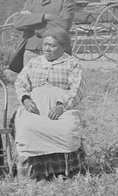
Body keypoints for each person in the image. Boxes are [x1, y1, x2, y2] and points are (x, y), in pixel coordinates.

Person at [14, 28, 86, 181]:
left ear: (64, 47)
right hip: (35, 107)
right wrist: (26, 99)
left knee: (67, 129)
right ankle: (32, 172)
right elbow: (20, 83)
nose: (47, 48)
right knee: (26, 127)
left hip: (61, 107)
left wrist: (62, 106)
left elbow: (77, 88)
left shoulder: (72, 64)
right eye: (45, 44)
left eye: (52, 45)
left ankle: (63, 171)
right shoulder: (34, 62)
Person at [12, 0, 75, 68]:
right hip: (31, 52)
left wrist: (31, 24)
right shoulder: (31, 2)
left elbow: (62, 27)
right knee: (30, 83)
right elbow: (18, 23)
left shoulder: (66, 0)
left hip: (56, 53)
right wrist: (45, 17)